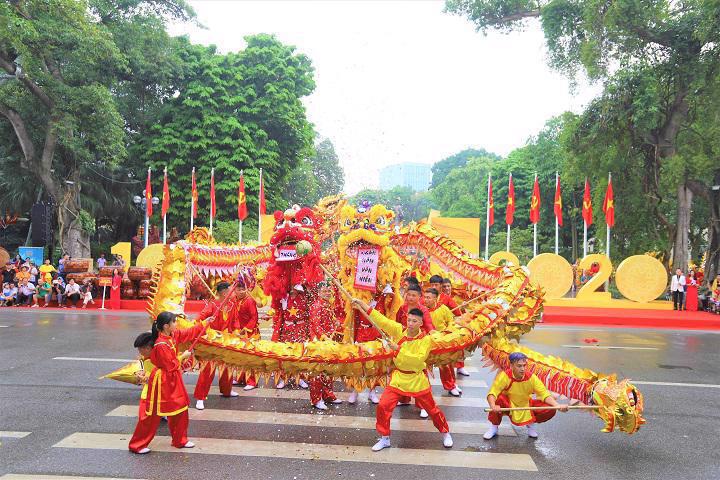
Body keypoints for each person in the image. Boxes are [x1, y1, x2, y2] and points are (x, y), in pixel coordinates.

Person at [351, 299, 453, 451]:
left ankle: (445, 433)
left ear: (420, 323)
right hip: (398, 378)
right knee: (383, 406)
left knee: (433, 410)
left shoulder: (425, 340)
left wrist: (397, 349)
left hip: (417, 379)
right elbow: (381, 320)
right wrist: (363, 305)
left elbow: (417, 360)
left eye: (414, 321)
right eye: (409, 319)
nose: (410, 323)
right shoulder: (399, 330)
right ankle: (384, 438)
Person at [128, 311, 208, 454]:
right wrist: (183, 356)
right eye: (174, 322)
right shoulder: (160, 344)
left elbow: (188, 333)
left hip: (174, 379)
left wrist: (205, 323)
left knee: (181, 409)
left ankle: (180, 440)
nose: (177, 324)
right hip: (162, 380)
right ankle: (137, 445)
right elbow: (170, 365)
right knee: (152, 415)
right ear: (166, 326)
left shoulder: (172, 336)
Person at [483, 352, 567, 440]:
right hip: (508, 404)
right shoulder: (504, 376)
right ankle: (494, 427)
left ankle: (530, 423)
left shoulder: (532, 377)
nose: (523, 369)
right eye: (519, 366)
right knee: (498, 399)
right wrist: (493, 406)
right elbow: (492, 393)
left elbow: (544, 394)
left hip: (526, 405)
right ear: (511, 365)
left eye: (524, 365)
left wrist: (557, 405)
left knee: (550, 408)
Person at [193, 282, 240, 410]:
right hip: (211, 342)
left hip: (225, 341)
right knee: (208, 370)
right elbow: (199, 318)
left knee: (227, 367)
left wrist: (236, 333)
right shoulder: (212, 305)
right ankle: (200, 398)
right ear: (224, 292)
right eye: (231, 290)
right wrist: (206, 321)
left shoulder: (231, 304)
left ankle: (226, 390)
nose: (233, 292)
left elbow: (235, 321)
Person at [308, 281, 344, 410]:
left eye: (329, 291)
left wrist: (337, 325)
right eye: (324, 291)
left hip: (329, 342)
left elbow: (331, 320)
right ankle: (316, 399)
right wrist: (325, 338)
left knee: (329, 370)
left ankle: (328, 395)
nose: (328, 293)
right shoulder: (316, 306)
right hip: (319, 343)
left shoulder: (328, 304)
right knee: (317, 371)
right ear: (318, 292)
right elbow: (316, 325)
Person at [423, 288, 461, 397]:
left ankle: (451, 385)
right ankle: (424, 392)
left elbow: (451, 323)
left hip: (442, 342)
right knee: (423, 368)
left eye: (428, 297)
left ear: (435, 298)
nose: (425, 300)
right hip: (427, 342)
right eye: (424, 297)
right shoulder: (421, 310)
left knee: (446, 365)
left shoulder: (443, 309)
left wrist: (446, 334)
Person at [272, 284, 310, 390]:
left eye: (295, 286)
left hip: (300, 329)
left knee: (300, 354)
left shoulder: (304, 297)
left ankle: (300, 377)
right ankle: (284, 378)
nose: (293, 288)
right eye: (291, 285)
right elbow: (278, 314)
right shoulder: (283, 298)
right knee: (286, 354)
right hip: (287, 330)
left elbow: (308, 315)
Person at [232, 274, 260, 391]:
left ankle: (252, 381)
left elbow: (254, 317)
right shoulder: (234, 300)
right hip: (239, 332)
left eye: (243, 289)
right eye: (239, 289)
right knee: (239, 356)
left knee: (250, 358)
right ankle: (240, 378)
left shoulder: (249, 301)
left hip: (251, 333)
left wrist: (246, 329)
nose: (241, 291)